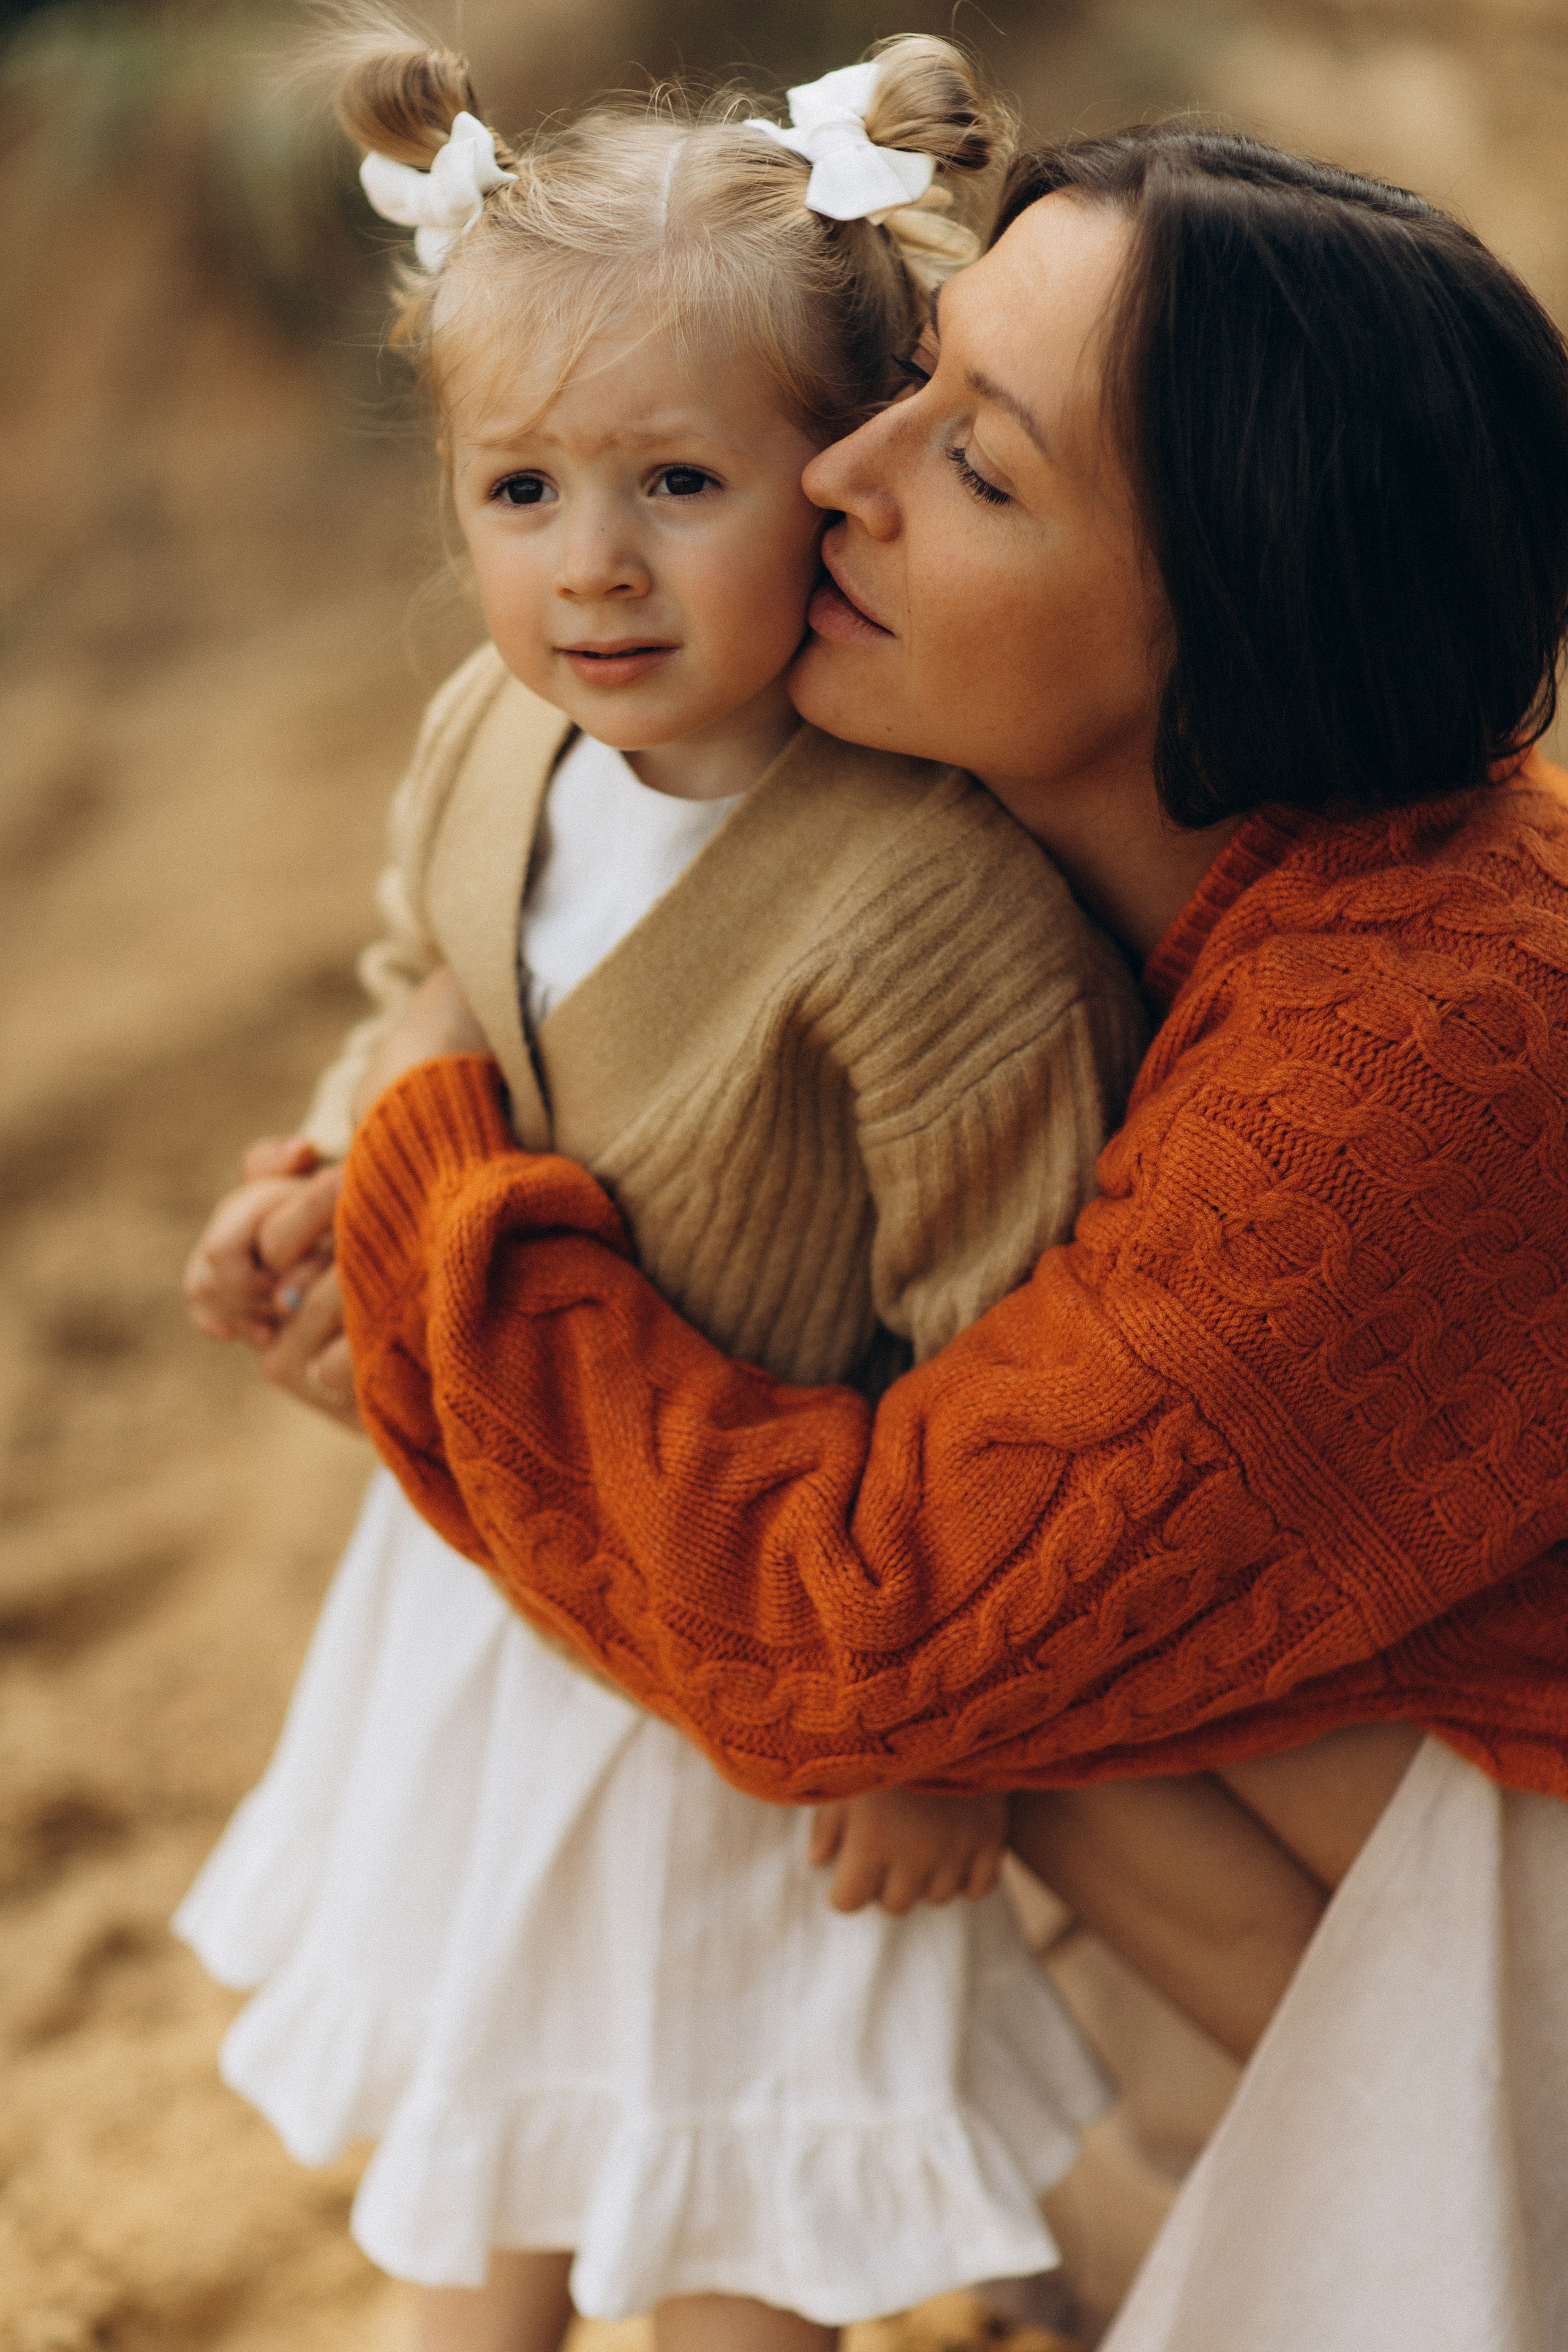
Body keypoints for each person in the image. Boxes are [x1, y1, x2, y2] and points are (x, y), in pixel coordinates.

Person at [310, 126, 1568, 2346]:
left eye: (975, 463)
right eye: (907, 382)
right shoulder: (1118, 864)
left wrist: (428, 1192)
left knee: (1008, 1673)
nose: (839, 477)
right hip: (1309, 1875)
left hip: (1516, 1903)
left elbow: (857, 1639)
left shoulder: (1413, 1058)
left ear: (1233, 611)